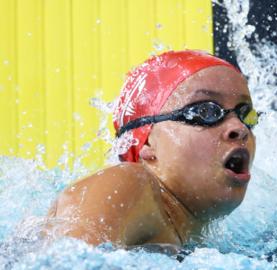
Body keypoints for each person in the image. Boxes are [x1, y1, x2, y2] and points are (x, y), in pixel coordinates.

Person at [44, 50, 258, 249]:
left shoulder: (197, 240)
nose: (239, 128)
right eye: (205, 111)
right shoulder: (128, 182)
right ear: (146, 143)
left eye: (244, 114)